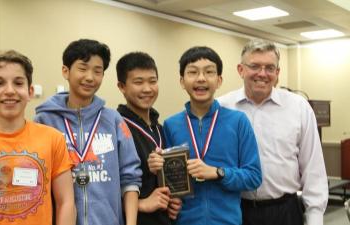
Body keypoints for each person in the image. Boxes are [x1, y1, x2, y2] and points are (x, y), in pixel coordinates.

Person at [0, 50, 76, 225]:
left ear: (30, 91)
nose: (10, 91)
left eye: (18, 83)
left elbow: (66, 202)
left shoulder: (53, 139)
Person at [218, 39, 328, 225]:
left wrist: (314, 218)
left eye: (270, 68)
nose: (262, 74)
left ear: (277, 73)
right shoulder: (222, 108)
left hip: (285, 212)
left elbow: (313, 169)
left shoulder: (298, 107)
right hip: (236, 211)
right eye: (254, 66)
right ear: (240, 70)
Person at [34, 39, 142, 225]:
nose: (90, 77)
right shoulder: (44, 122)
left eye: (97, 71)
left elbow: (130, 176)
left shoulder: (113, 120)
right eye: (83, 68)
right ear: (65, 71)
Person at [161, 46, 262, 225]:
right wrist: (170, 200)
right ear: (182, 81)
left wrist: (218, 173)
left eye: (209, 72)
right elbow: (169, 180)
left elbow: (253, 177)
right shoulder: (171, 125)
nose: (201, 78)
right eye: (192, 72)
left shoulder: (238, 121)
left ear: (219, 80)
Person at [115, 52, 182, 225]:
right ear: (122, 86)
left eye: (152, 81)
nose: (147, 89)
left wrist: (172, 200)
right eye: (138, 82)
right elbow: (104, 186)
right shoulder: (115, 127)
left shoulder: (160, 128)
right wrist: (141, 204)